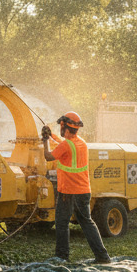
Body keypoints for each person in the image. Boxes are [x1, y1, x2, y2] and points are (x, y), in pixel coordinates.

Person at [41, 111, 111, 264]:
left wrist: (45, 139)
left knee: (61, 223)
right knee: (87, 222)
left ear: (63, 126)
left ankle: (62, 257)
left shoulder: (67, 145)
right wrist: (51, 134)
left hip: (68, 191)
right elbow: (63, 144)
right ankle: (102, 256)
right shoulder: (80, 143)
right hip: (84, 191)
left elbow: (48, 156)